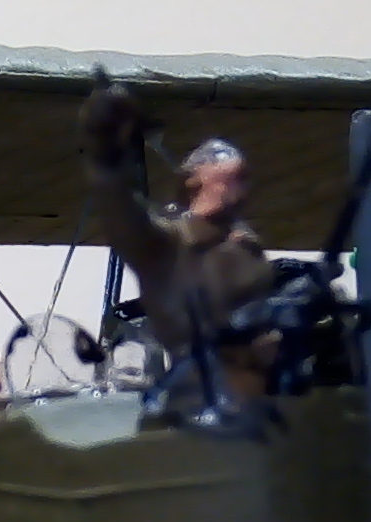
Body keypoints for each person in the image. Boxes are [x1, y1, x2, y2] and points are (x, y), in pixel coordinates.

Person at [82, 79, 280, 418]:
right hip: (201, 401)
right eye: (218, 164)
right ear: (194, 179)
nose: (234, 173)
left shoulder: (247, 249)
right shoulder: (168, 244)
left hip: (263, 397)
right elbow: (121, 213)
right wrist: (107, 152)